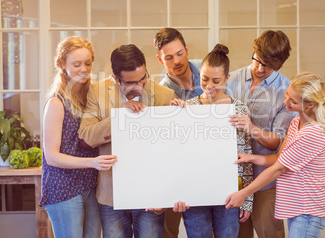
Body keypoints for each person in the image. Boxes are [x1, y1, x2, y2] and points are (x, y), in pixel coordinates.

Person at [78, 44, 175, 238]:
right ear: (115, 78)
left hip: (151, 194)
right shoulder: (96, 92)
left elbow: (172, 149)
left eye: (143, 78)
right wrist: (121, 117)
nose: (139, 86)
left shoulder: (165, 95)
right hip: (111, 194)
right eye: (131, 83)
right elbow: (85, 137)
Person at [225, 72, 325, 238]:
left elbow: (278, 169)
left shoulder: (311, 133)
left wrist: (243, 194)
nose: (286, 102)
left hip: (308, 209)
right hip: (298, 207)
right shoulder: (297, 121)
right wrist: (250, 158)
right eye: (287, 95)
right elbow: (278, 158)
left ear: (310, 105)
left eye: (293, 101)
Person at [171, 44, 254, 238]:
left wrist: (247, 199)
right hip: (195, 194)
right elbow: (177, 156)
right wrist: (174, 115)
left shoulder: (239, 110)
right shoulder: (188, 108)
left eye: (216, 81)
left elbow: (246, 159)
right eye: (204, 79)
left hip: (229, 195)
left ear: (227, 78)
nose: (209, 86)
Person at [40, 36, 117, 238]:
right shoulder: (56, 103)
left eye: (88, 63)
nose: (84, 69)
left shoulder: (92, 96)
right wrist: (93, 162)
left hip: (90, 185)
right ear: (61, 64)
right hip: (63, 188)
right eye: (76, 64)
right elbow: (52, 157)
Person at [226, 30, 295, 238]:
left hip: (265, 183)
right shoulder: (231, 80)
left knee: (270, 234)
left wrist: (251, 128)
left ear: (279, 65)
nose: (260, 68)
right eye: (257, 60)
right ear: (253, 51)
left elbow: (278, 144)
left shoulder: (287, 91)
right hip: (232, 178)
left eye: (268, 65)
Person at [154, 27, 203, 237]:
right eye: (169, 57)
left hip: (204, 167)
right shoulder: (159, 93)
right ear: (160, 59)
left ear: (187, 49)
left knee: (205, 228)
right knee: (168, 230)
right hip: (172, 172)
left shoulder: (207, 71)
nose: (177, 61)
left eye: (180, 53)